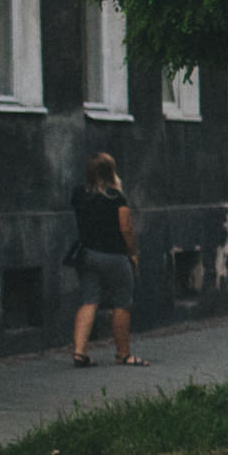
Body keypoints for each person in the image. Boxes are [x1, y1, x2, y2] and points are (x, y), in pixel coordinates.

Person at [70, 153, 144, 367]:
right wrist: (132, 254)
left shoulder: (78, 195)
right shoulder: (116, 197)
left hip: (86, 254)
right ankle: (123, 354)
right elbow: (126, 228)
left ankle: (79, 352)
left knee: (89, 300)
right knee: (121, 302)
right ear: (111, 172)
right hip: (113, 256)